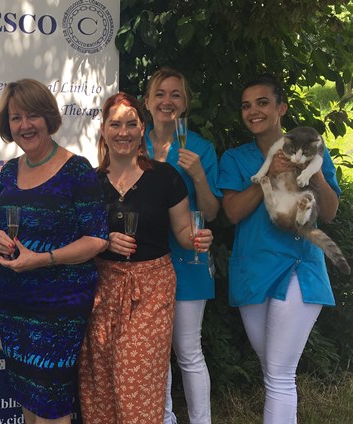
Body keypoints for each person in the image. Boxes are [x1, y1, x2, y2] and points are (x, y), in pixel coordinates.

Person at [78, 92, 213, 424]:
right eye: (115, 124)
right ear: (103, 130)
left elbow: (183, 231)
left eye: (131, 124)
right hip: (102, 288)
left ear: (142, 129)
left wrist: (198, 238)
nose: (123, 132)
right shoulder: (91, 183)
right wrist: (103, 241)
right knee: (100, 380)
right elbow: (77, 237)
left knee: (138, 380)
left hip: (152, 289)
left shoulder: (165, 177)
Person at [217, 74, 341, 423]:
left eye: (262, 103)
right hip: (253, 271)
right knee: (272, 370)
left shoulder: (312, 149)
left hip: (298, 266)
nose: (253, 111)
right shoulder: (235, 158)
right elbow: (232, 213)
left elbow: (330, 212)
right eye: (246, 105)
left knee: (279, 375)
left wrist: (314, 173)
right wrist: (268, 175)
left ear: (281, 108)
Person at [0, 78, 108, 424]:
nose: (24, 125)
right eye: (16, 118)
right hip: (14, 302)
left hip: (60, 308)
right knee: (27, 397)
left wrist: (43, 259)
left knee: (52, 405)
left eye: (32, 115)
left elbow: (97, 238)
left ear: (48, 117)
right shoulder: (9, 172)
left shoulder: (77, 170)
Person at [143, 67, 221, 424]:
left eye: (175, 94)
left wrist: (199, 176)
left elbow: (212, 212)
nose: (167, 101)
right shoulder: (134, 142)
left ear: (185, 103)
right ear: (147, 102)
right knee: (156, 353)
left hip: (189, 258)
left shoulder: (200, 148)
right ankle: (165, 419)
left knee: (188, 351)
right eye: (160, 94)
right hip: (144, 260)